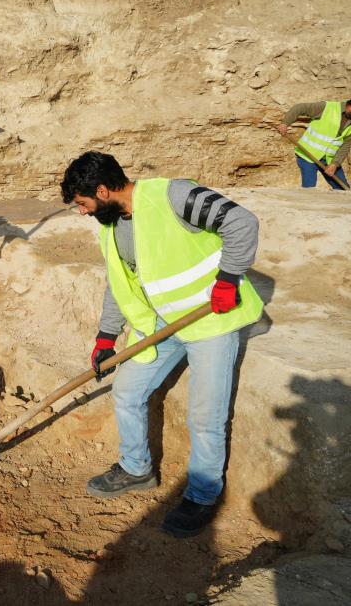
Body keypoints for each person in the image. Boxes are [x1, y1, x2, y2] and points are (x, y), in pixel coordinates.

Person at [60, 151, 264, 538]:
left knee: (205, 416)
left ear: (102, 190)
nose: (82, 213)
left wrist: (229, 278)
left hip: (211, 321)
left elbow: (241, 222)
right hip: (162, 323)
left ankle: (203, 496)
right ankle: (137, 470)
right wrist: (106, 335)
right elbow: (118, 283)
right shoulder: (112, 223)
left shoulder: (174, 196)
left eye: (83, 204)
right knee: (126, 390)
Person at [277, 98, 351, 190]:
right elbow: (299, 108)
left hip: (329, 160)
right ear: (349, 105)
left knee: (343, 190)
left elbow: (345, 146)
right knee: (309, 190)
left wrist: (334, 164)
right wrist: (285, 123)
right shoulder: (327, 107)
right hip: (307, 156)